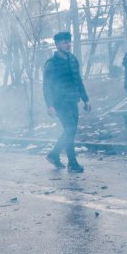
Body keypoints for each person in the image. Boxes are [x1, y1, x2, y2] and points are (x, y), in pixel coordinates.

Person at [43, 31, 90, 173]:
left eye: (69, 41)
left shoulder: (73, 59)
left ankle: (54, 155)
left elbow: (78, 80)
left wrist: (85, 98)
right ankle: (72, 162)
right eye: (65, 42)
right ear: (57, 45)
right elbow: (46, 86)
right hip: (60, 102)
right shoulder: (51, 63)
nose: (68, 44)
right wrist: (49, 105)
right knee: (70, 129)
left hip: (72, 100)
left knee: (71, 131)